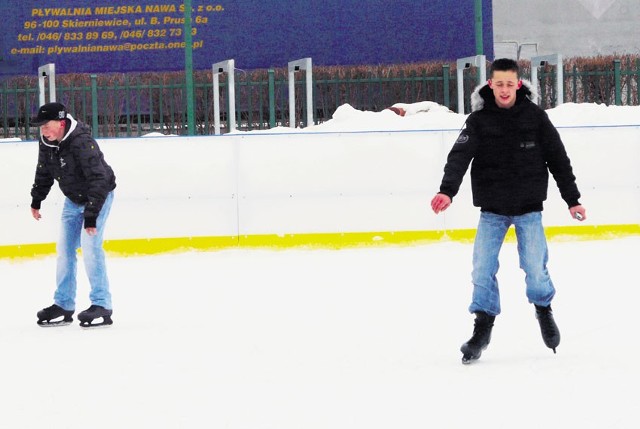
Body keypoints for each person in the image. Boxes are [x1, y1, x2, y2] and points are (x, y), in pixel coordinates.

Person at [430, 58, 586, 364]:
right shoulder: (478, 121)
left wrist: (573, 200)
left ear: (518, 84)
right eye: (498, 84)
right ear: (490, 85)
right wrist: (446, 191)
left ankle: (543, 310)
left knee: (535, 268)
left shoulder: (535, 117)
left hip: (529, 209)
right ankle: (482, 328)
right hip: (492, 210)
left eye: (509, 84)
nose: (504, 90)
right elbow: (459, 157)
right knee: (481, 269)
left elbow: (558, 159)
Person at [30, 102, 117, 328]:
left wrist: (90, 216)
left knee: (90, 248)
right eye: (40, 127)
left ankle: (102, 304)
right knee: (65, 251)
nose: (43, 131)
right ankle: (64, 304)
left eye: (46, 126)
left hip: (97, 197)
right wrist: (37, 199)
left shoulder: (81, 142)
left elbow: (99, 180)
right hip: (73, 199)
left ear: (61, 123)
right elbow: (44, 170)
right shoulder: (47, 141)